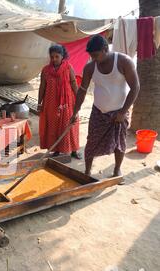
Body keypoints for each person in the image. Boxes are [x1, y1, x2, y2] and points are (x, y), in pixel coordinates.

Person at [70, 35, 140, 183]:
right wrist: (75, 112)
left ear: (105, 49)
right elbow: (82, 90)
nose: (93, 59)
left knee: (119, 143)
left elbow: (135, 88)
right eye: (91, 56)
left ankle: (116, 170)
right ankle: (87, 171)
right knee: (91, 142)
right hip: (98, 111)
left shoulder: (123, 62)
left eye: (95, 55)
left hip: (119, 112)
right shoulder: (90, 67)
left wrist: (122, 112)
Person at [38, 44, 81, 159]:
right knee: (54, 126)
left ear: (62, 56)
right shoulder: (46, 70)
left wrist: (78, 100)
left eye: (57, 56)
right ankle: (56, 149)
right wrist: (39, 103)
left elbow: (73, 83)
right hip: (51, 103)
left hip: (67, 103)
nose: (54, 59)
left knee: (70, 125)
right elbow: (42, 87)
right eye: (52, 57)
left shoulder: (68, 68)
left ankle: (74, 150)